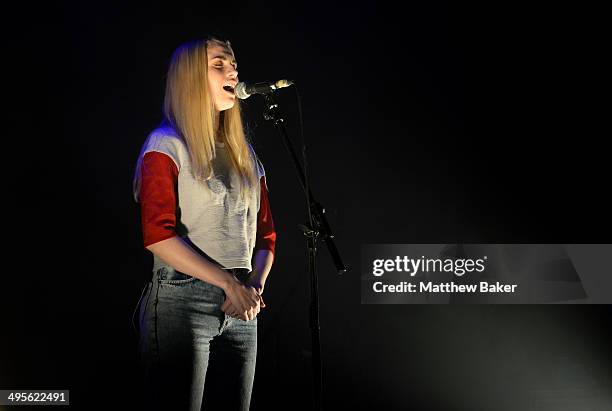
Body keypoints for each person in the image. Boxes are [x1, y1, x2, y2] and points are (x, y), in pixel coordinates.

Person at [131, 37, 276, 411]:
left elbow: (266, 236)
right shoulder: (166, 145)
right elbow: (157, 236)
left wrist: (252, 290)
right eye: (219, 64)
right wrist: (229, 284)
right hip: (183, 300)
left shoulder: (247, 156)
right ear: (191, 78)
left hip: (243, 305)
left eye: (234, 64)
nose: (234, 71)